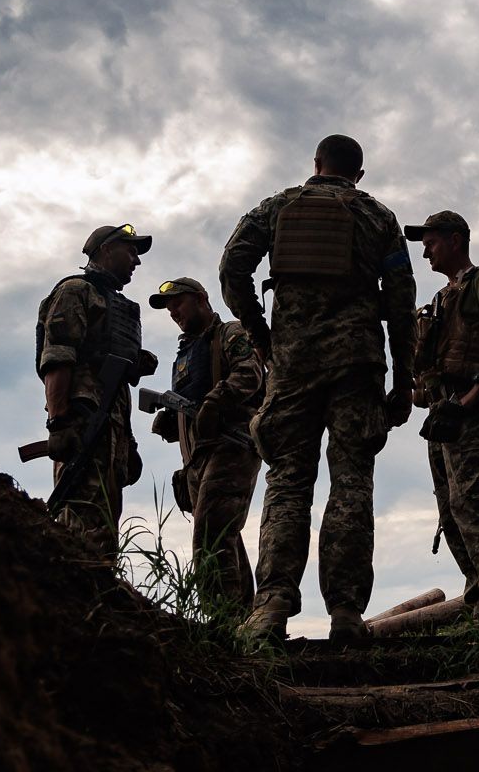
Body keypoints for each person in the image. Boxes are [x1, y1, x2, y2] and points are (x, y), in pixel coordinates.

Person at [219, 134, 416, 644]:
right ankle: (347, 613)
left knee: (287, 481)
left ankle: (271, 606)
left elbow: (232, 268)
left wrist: (261, 335)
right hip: (358, 365)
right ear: (359, 174)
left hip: (293, 366)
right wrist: (403, 375)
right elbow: (400, 300)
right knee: (351, 484)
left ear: (316, 163)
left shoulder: (277, 207)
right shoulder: (380, 217)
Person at [406, 210, 479, 618]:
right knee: (450, 510)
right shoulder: (441, 300)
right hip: (441, 409)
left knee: (472, 502)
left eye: (432, 243)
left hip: (465, 405)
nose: (426, 254)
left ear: (456, 240)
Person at [35, 223, 159, 563]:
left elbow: (115, 384)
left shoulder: (118, 305)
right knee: (80, 529)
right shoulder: (76, 291)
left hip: (111, 429)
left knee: (104, 533)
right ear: (105, 249)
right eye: (130, 250)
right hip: (81, 426)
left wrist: (128, 442)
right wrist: (59, 423)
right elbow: (58, 357)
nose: (136, 260)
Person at [147, 276, 264, 607]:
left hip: (232, 445)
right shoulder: (185, 354)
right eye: (168, 308)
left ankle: (221, 622)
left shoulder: (229, 333)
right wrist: (172, 419)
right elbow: (192, 399)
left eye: (178, 303)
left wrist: (215, 402)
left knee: (211, 534)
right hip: (197, 458)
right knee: (223, 534)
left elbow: (250, 374)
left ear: (200, 298)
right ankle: (244, 623)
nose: (173, 312)